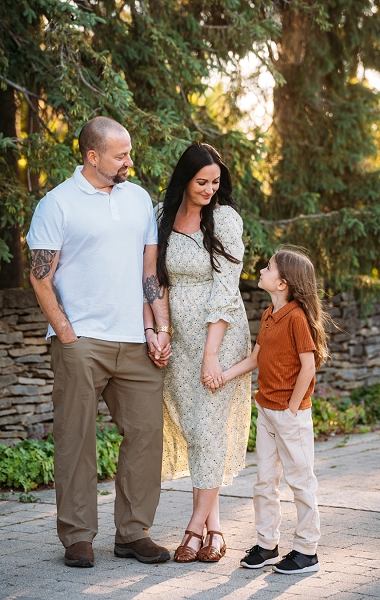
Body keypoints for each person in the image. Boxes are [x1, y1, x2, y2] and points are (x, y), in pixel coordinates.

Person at [27, 116, 172, 568]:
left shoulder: (139, 199)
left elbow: (150, 272)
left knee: (147, 433)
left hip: (135, 338)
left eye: (129, 152)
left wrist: (159, 327)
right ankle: (77, 537)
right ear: (93, 156)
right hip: (81, 340)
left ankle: (132, 533)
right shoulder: (57, 204)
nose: (131, 160)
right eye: (121, 154)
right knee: (76, 438)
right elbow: (39, 278)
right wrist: (66, 332)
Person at [153, 142, 251, 563]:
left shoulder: (224, 218)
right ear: (185, 179)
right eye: (202, 182)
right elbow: (154, 278)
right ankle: (214, 529)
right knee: (195, 429)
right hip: (180, 338)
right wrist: (160, 330)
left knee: (210, 427)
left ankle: (193, 529)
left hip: (221, 335)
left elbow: (227, 290)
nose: (210, 189)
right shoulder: (162, 215)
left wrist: (212, 355)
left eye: (216, 182)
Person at [204, 248, 328, 574]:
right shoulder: (272, 313)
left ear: (283, 282)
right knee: (264, 482)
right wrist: (222, 375)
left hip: (290, 416)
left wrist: (290, 408)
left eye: (268, 267)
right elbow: (256, 359)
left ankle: (306, 551)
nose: (261, 269)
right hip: (267, 411)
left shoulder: (297, 317)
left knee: (301, 482)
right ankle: (267, 545)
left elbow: (308, 368)